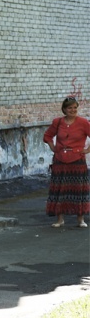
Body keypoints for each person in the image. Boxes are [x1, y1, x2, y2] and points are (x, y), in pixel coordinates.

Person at [43, 97, 90, 228]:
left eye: (75, 107)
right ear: (64, 109)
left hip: (77, 161)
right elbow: (47, 136)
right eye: (70, 108)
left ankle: (80, 219)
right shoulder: (57, 122)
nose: (73, 110)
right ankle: (60, 219)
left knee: (78, 189)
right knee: (60, 189)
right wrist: (53, 148)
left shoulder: (83, 122)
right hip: (60, 161)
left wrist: (87, 150)